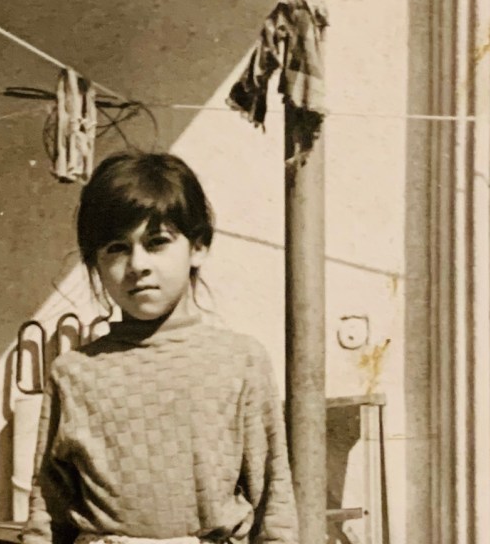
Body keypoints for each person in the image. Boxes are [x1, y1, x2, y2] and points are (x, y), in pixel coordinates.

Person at [23, 151, 298, 544]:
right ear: (95, 263)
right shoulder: (74, 373)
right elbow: (47, 513)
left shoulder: (240, 362)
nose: (138, 265)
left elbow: (274, 508)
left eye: (157, 242)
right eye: (117, 247)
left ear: (198, 247)